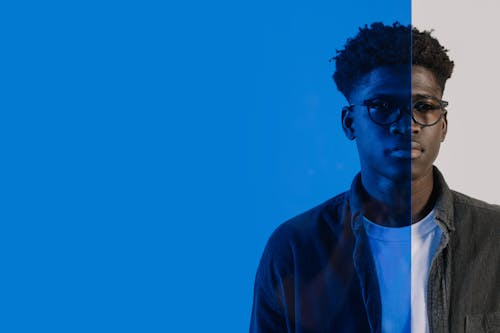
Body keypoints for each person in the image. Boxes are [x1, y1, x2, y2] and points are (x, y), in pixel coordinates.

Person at [249, 22, 500, 333]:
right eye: (382, 106)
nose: (407, 125)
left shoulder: (494, 237)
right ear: (350, 122)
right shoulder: (296, 248)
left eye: (424, 106)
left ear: (444, 124)